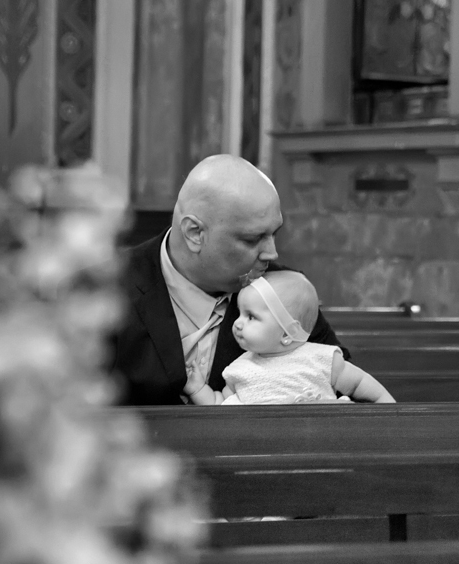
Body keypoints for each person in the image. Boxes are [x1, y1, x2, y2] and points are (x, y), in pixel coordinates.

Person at [111, 154, 348, 405]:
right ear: (194, 233)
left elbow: (345, 389)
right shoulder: (106, 287)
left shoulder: (283, 291)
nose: (272, 253)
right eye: (252, 239)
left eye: (274, 233)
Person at [184, 271, 395, 404]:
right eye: (239, 313)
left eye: (251, 317)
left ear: (287, 333)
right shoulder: (239, 369)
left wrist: (389, 410)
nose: (237, 323)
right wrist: (197, 389)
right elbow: (219, 405)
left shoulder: (322, 359)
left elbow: (360, 384)